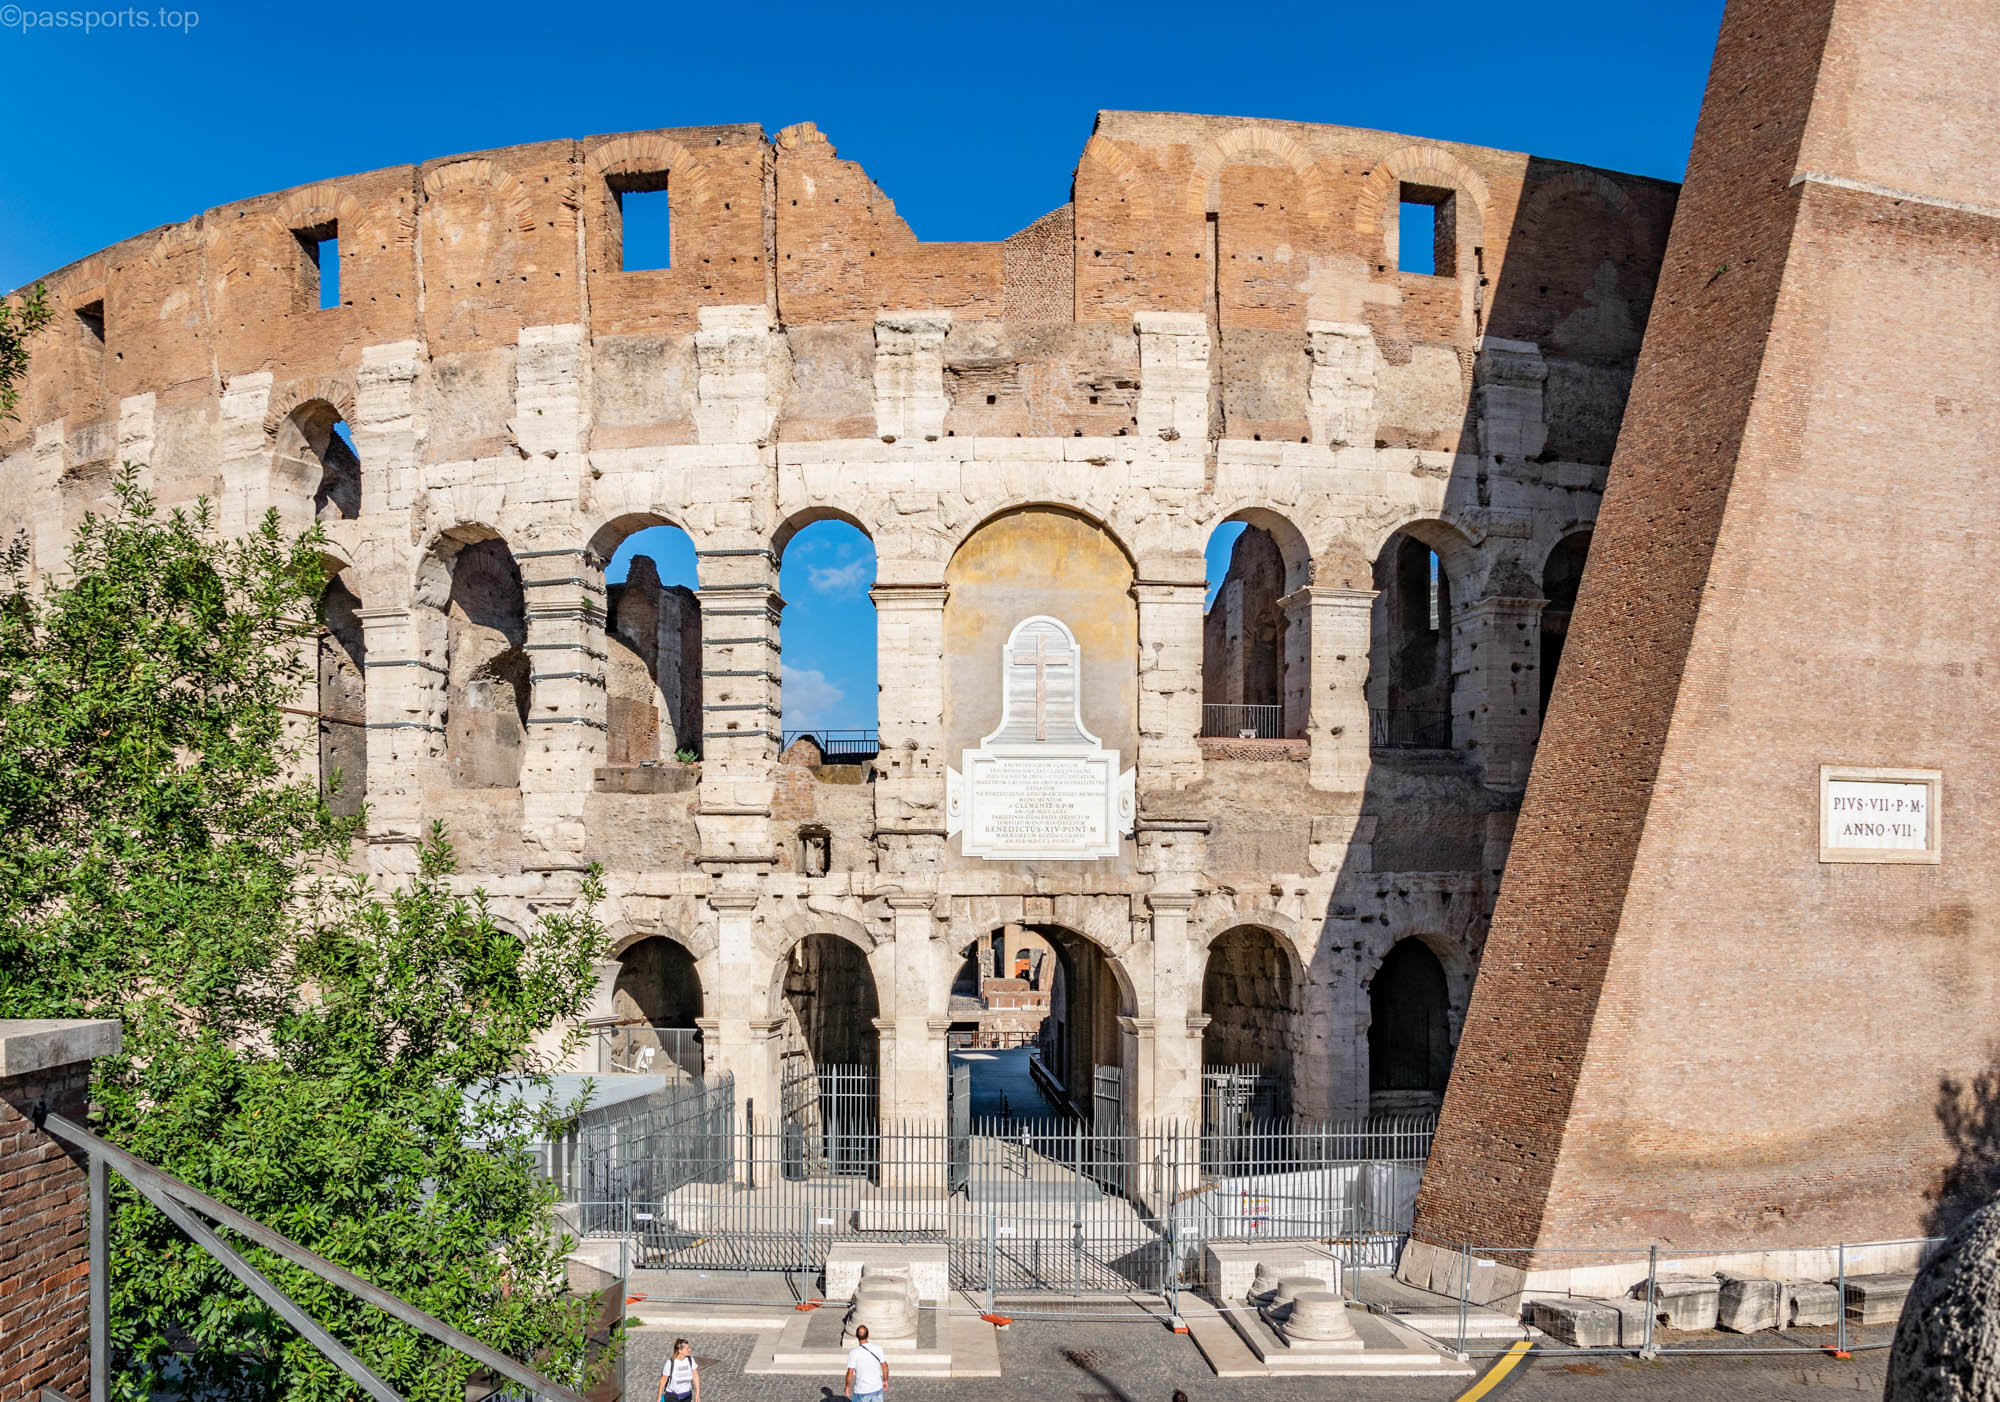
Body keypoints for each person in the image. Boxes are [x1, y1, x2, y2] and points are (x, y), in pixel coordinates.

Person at [844, 1322, 888, 1402]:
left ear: (857, 1336)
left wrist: (847, 1387)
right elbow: (884, 1366)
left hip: (862, 1390)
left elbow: (850, 1372)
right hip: (876, 1388)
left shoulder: (853, 1353)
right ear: (868, 1335)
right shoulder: (878, 1348)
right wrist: (885, 1380)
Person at [658, 1337, 699, 1402]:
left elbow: (695, 1376)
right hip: (672, 1397)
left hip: (687, 1396)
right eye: (687, 1349)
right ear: (680, 1350)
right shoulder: (670, 1363)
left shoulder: (690, 1360)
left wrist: (697, 1394)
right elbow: (663, 1381)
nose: (690, 1350)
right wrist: (659, 1397)